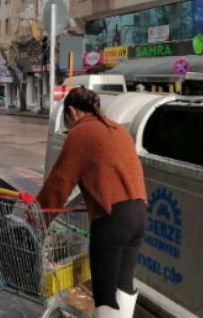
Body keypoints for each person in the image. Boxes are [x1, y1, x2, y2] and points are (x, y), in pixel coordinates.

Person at [36, 87, 147, 318]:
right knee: (123, 284)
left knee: (105, 292)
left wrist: (35, 219)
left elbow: (59, 185)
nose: (67, 126)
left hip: (112, 221)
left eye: (66, 120)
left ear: (72, 111)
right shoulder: (117, 129)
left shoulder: (82, 133)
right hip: (137, 215)